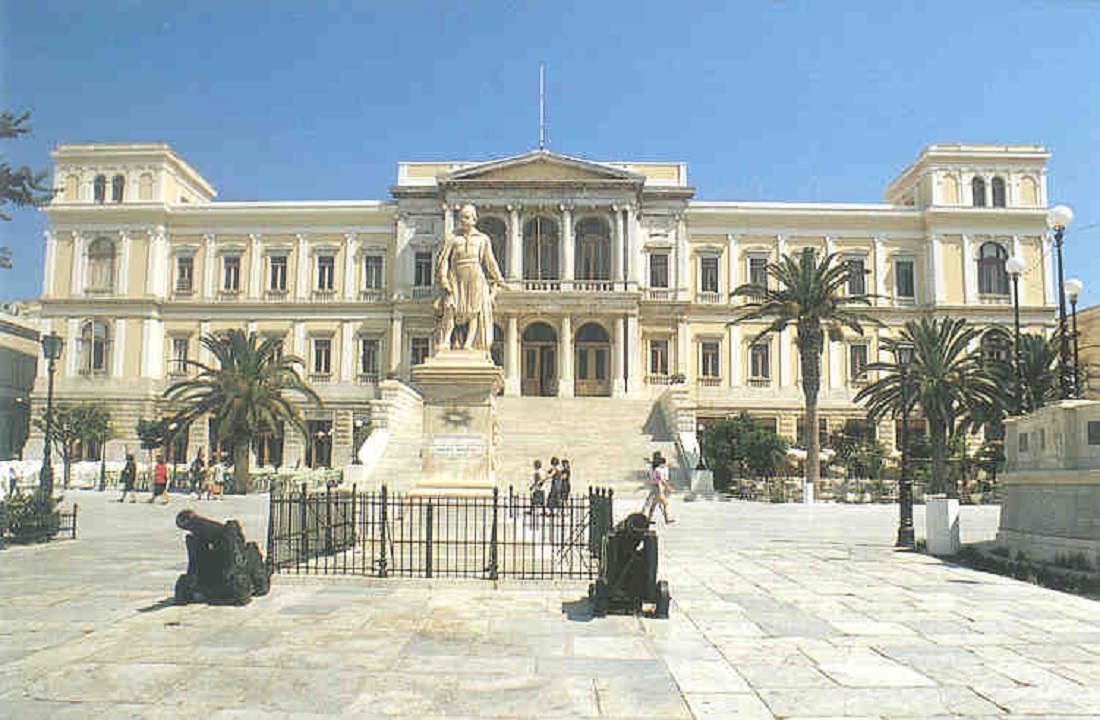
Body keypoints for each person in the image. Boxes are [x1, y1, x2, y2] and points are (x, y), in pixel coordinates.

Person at [435, 204, 507, 352]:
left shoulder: (483, 239)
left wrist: (500, 280)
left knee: (474, 310)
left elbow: (490, 262)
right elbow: (443, 260)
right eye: (461, 217)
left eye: (467, 217)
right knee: (450, 307)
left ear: (474, 220)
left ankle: (469, 342)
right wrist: (443, 279)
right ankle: (446, 341)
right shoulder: (452, 239)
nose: (463, 220)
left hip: (475, 276)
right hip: (456, 277)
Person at [646, 456, 675, 524]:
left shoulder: (658, 469)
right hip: (658, 488)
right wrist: (668, 487)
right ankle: (666, 520)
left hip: (657, 488)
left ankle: (648, 519)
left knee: (654, 504)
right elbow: (662, 480)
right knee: (665, 503)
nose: (664, 465)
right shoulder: (658, 470)